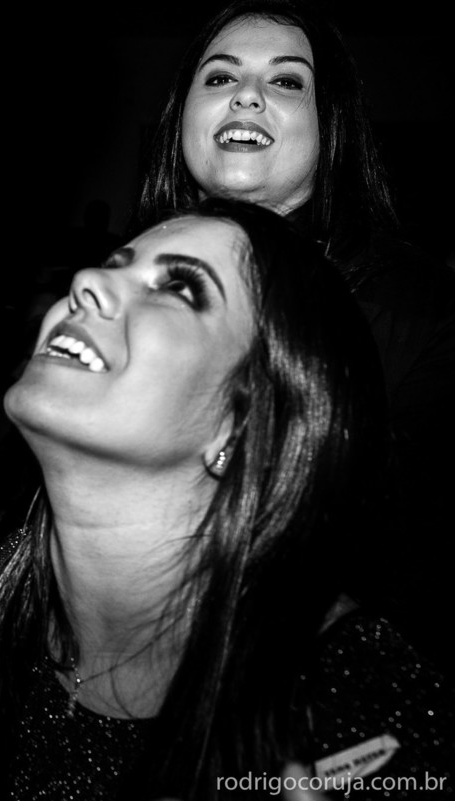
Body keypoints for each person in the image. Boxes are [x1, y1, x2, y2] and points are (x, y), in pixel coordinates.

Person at [0, 200, 453, 800]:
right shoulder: (13, 587)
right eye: (111, 265)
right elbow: (7, 745)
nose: (88, 281)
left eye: (179, 288)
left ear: (245, 429)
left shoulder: (354, 692)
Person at [133, 0, 455, 670]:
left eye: (286, 80)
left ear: (329, 123)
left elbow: (414, 556)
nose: (246, 95)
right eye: (220, 77)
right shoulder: (124, 287)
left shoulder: (417, 306)